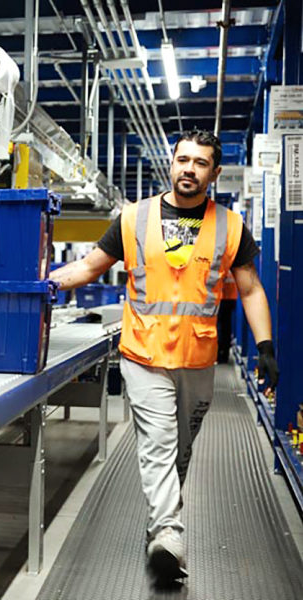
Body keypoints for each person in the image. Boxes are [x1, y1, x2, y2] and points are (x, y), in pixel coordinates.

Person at [51, 129, 279, 580]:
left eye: (199, 163)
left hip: (197, 359)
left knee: (181, 453)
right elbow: (90, 266)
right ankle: (170, 537)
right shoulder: (133, 218)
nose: (188, 169)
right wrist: (44, 282)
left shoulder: (230, 226)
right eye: (182, 159)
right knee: (157, 446)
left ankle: (159, 526)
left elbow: (250, 288)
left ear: (213, 172)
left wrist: (266, 346)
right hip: (142, 354)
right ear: (171, 162)